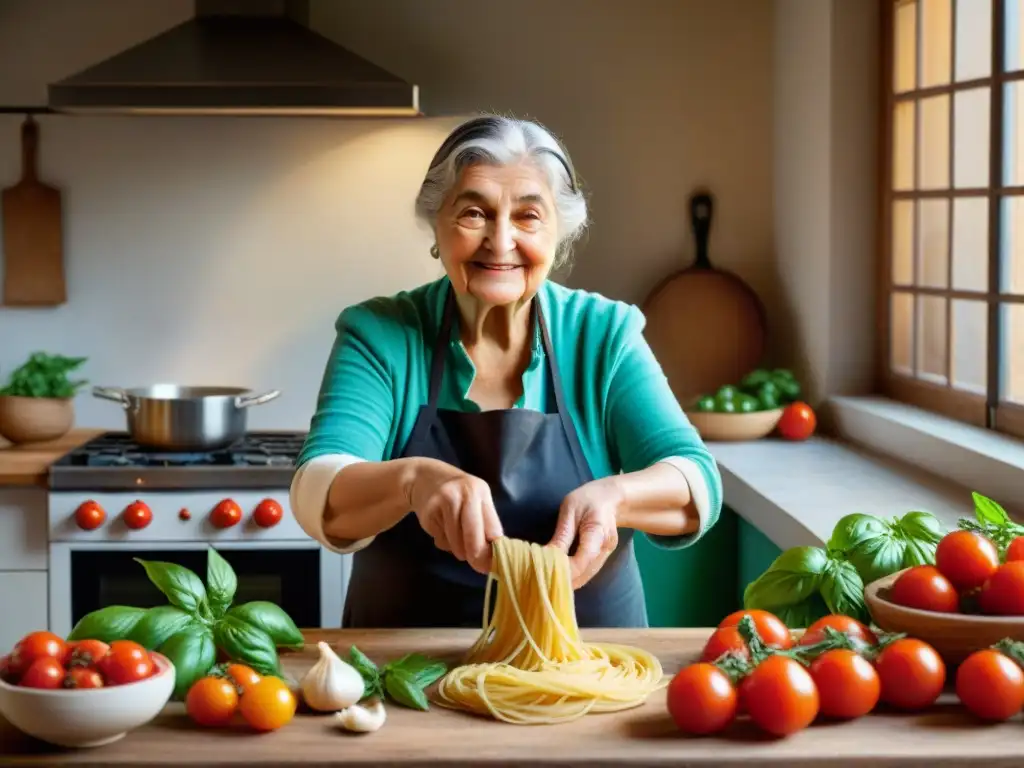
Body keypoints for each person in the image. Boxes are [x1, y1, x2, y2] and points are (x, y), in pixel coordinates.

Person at [291, 114, 723, 630]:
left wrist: (616, 496)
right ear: (437, 225)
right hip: (405, 672)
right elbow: (320, 490)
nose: (500, 240)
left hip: (591, 663)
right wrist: (414, 480)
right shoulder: (382, 333)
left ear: (557, 234)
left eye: (527, 216)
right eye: (474, 213)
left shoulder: (603, 333)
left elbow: (695, 481)